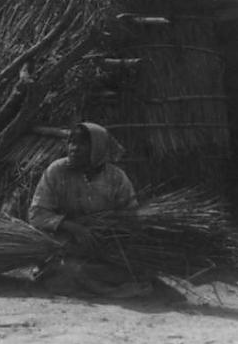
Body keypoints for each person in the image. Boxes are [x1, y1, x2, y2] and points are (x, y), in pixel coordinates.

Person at [28, 122, 152, 298]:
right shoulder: (57, 171)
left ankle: (101, 282)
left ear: (98, 148)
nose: (74, 149)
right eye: (72, 142)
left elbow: (130, 215)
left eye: (82, 144)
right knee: (66, 270)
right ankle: (111, 290)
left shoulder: (115, 177)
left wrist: (107, 232)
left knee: (134, 268)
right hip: (65, 244)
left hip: (102, 245)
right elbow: (37, 214)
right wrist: (72, 227)